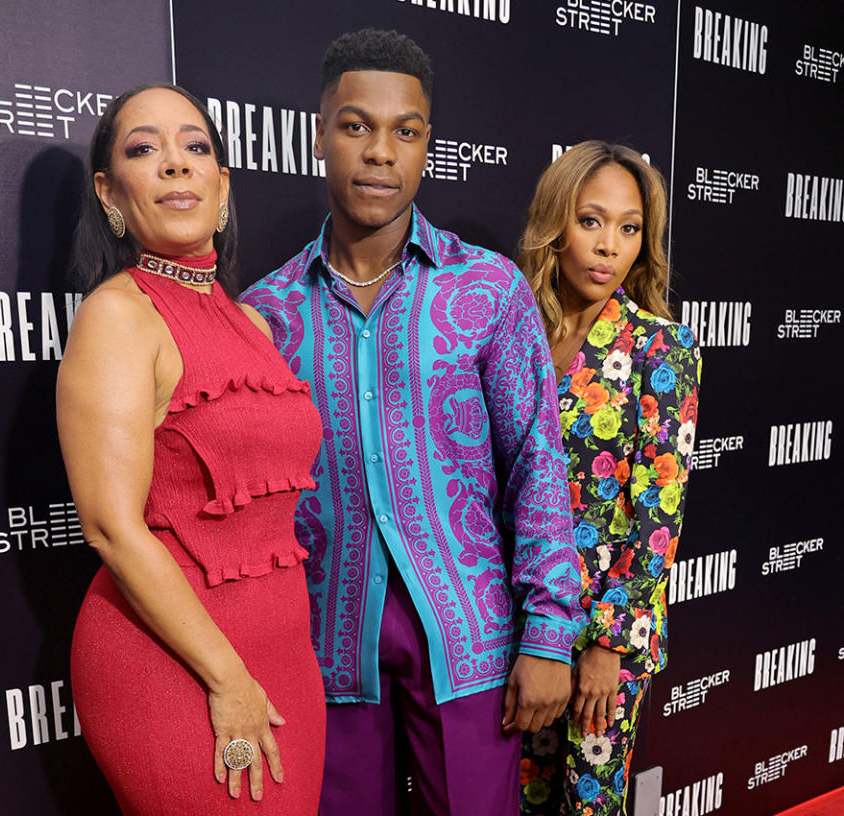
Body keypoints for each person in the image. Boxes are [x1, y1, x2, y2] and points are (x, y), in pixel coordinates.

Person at [241, 29, 585, 816]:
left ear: (428, 143)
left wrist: (547, 635)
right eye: (356, 125)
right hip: (323, 649)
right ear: (319, 133)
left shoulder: (487, 290)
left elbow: (536, 461)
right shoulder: (265, 314)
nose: (380, 153)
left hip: (468, 640)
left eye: (407, 131)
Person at [57, 83, 325, 815]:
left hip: (284, 660)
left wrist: (263, 671)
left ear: (223, 183)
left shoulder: (254, 327)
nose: (176, 164)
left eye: (195, 147)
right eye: (145, 150)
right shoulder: (118, 317)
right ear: (111, 194)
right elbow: (111, 526)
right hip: (178, 665)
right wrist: (227, 678)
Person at [516, 142, 701, 816]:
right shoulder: (516, 334)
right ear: (556, 224)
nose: (608, 246)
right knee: (519, 799)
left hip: (605, 630)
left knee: (588, 804)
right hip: (522, 617)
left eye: (629, 228)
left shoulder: (662, 346)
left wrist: (609, 645)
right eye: (591, 221)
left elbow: (660, 515)